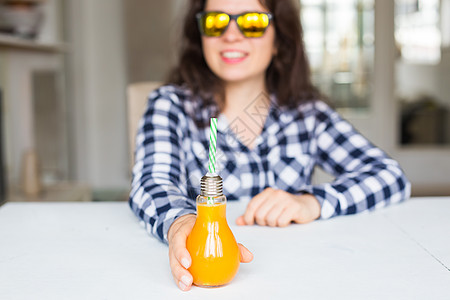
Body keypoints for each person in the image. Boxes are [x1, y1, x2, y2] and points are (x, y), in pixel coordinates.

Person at [129, 0, 411, 292]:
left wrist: (310, 202)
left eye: (252, 22)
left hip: (297, 281)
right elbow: (152, 182)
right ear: (201, 38)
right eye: (216, 23)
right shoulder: (170, 106)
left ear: (279, 40)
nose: (231, 35)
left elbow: (389, 175)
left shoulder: (307, 114)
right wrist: (180, 222)